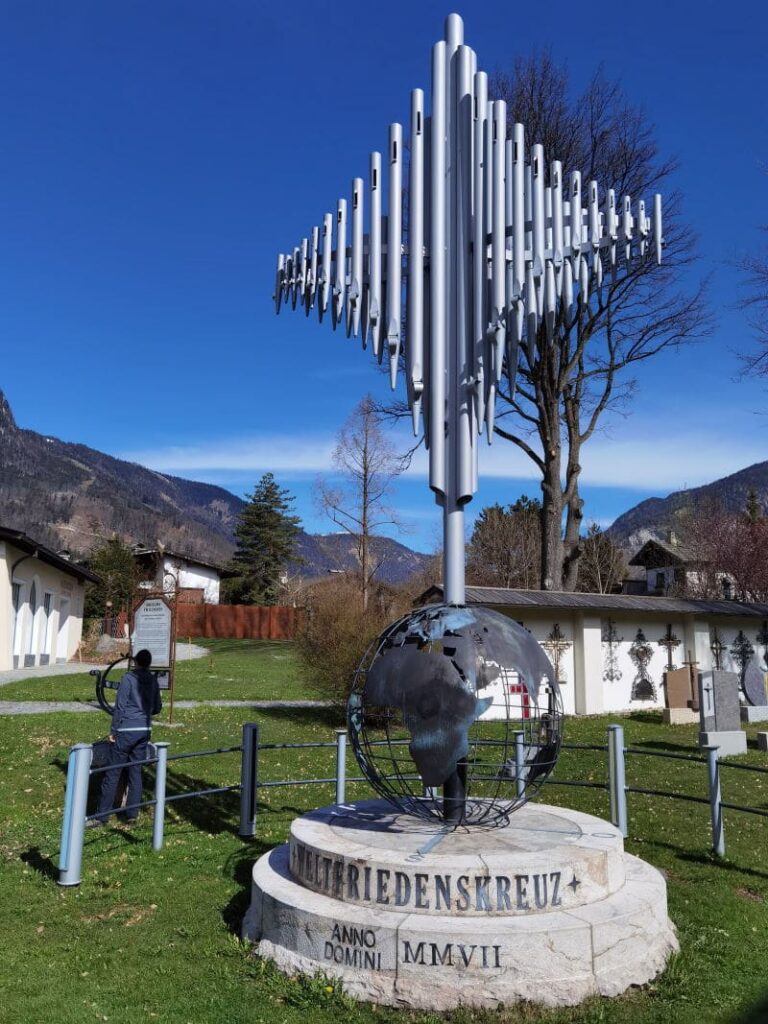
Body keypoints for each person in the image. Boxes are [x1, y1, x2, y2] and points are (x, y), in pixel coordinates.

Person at [88, 649, 162, 827]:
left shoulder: (128, 679)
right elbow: (157, 707)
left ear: (135, 662)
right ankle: (132, 815)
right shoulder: (153, 680)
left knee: (113, 772)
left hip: (126, 730)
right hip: (144, 730)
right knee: (135, 771)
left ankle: (101, 816)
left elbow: (120, 707)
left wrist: (114, 730)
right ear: (149, 663)